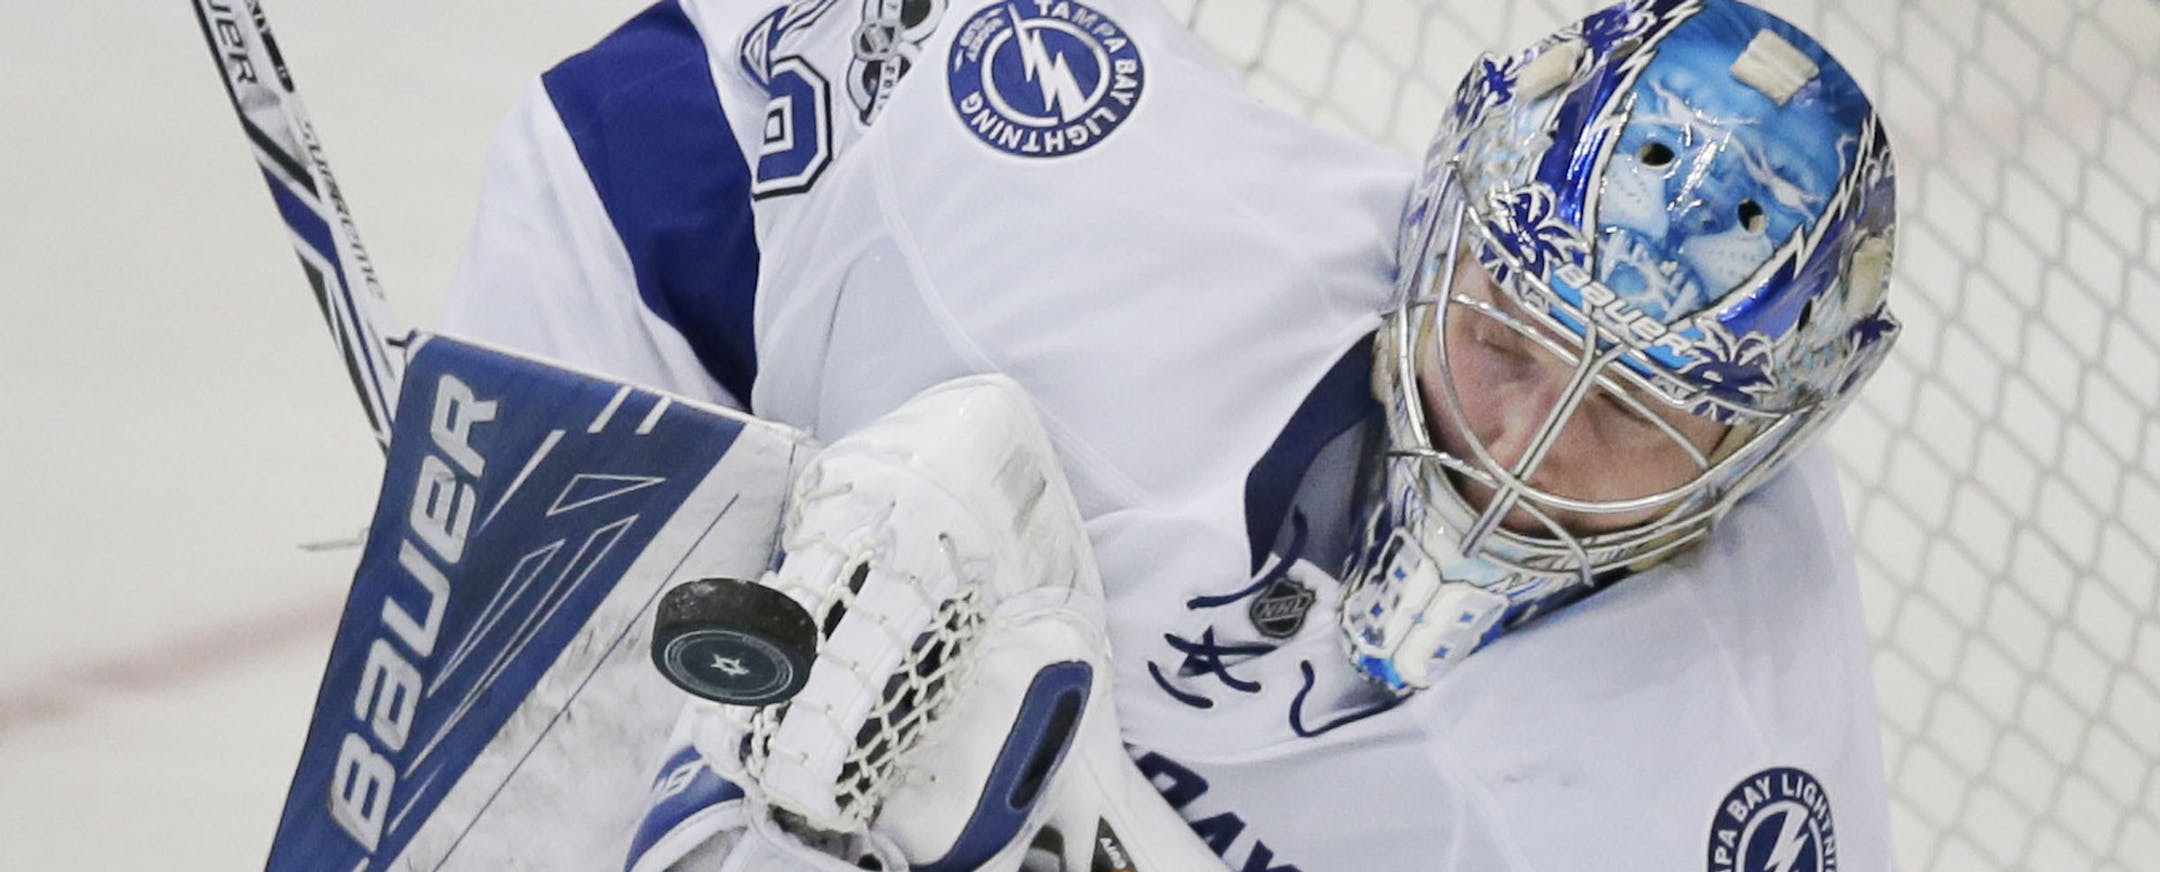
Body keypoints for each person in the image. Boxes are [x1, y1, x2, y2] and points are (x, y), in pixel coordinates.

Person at [441, 0, 1900, 868]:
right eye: (1509, 342)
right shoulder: (1099, 221)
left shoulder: (1732, 785)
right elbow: (648, 132)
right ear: (1440, 223)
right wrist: (595, 532)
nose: (1521, 442)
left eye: (1630, 415)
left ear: (1761, 445)